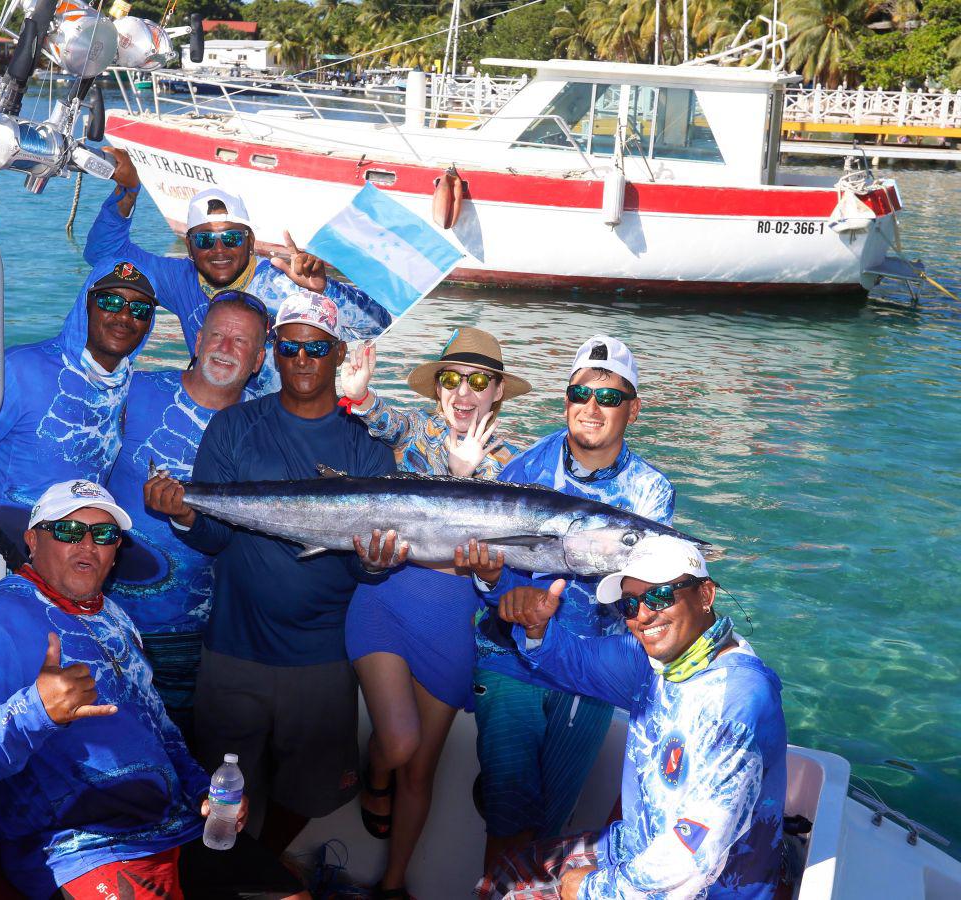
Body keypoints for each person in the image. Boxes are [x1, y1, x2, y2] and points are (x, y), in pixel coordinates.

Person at [0, 480, 310, 900]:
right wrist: (36, 709)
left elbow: (161, 730)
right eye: (69, 530)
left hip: (176, 825)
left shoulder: (114, 616)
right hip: (81, 848)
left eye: (105, 534)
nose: (88, 545)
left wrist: (204, 791)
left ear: (115, 551)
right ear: (33, 540)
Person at [145, 290, 404, 856]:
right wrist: (184, 515)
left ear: (339, 354)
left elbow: (366, 568)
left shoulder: (367, 446)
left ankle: (262, 870)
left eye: (317, 348)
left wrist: (374, 563)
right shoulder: (234, 426)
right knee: (219, 796)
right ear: (274, 353)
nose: (303, 359)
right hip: (233, 653)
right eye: (290, 347)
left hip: (323, 659)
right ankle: (239, 876)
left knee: (311, 795)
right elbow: (215, 538)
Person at [476, 535, 786, 900]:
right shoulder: (653, 662)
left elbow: (694, 859)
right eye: (629, 604)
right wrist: (537, 628)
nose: (643, 615)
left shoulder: (737, 699)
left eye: (660, 596)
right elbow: (577, 661)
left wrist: (591, 890)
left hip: (709, 888)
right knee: (507, 875)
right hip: (635, 846)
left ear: (705, 595)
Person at [336, 327, 531, 899]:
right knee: (398, 745)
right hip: (387, 596)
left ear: (497, 391)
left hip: (453, 617)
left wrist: (468, 476)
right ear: (438, 387)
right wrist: (358, 392)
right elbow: (380, 418)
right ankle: (375, 772)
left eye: (478, 381)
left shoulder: (515, 460)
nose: (462, 393)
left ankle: (393, 884)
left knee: (421, 770)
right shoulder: (418, 429)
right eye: (451, 379)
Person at [472, 335, 675, 869]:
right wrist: (500, 589)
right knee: (509, 822)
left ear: (633, 409)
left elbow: (645, 592)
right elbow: (491, 572)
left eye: (609, 398)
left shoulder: (651, 493)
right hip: (510, 657)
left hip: (590, 668)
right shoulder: (523, 471)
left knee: (549, 826)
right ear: (565, 400)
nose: (592, 407)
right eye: (580, 393)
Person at [83, 149, 392, 394]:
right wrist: (128, 191)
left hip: (286, 424)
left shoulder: (284, 283)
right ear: (189, 247)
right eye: (205, 240)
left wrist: (323, 289)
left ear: (251, 242)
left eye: (231, 238)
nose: (218, 250)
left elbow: (378, 327)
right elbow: (103, 255)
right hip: (221, 420)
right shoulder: (182, 279)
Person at [104, 289, 269, 741]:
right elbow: (62, 455)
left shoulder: (266, 429)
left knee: (178, 752)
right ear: (197, 341)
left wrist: (187, 516)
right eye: (217, 335)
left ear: (258, 360)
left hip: (196, 633)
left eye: (241, 342)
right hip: (104, 614)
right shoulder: (133, 391)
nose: (225, 348)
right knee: (99, 747)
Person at [0, 257, 159, 543]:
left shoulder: (135, 386)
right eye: (110, 302)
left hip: (84, 544)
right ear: (86, 304)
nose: (124, 316)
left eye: (140, 309)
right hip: (8, 546)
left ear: (148, 323)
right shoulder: (17, 369)